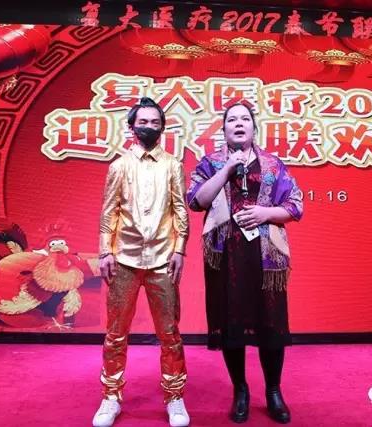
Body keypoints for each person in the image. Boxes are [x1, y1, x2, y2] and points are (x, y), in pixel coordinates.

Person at [186, 102, 303, 424]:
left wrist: (266, 213)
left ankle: (274, 391)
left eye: (245, 119)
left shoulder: (273, 165)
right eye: (232, 120)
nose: (239, 124)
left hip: (266, 257)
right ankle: (240, 389)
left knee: (270, 323)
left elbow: (295, 204)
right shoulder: (211, 163)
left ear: (253, 127)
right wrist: (226, 170)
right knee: (231, 323)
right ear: (224, 129)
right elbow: (196, 201)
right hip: (225, 255)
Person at [93, 97, 190, 427]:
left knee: (170, 334)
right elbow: (109, 212)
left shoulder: (173, 165)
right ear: (132, 126)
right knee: (115, 334)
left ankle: (174, 397)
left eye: (155, 122)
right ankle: (110, 396)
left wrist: (180, 250)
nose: (149, 126)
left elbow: (180, 210)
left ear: (162, 127)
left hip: (163, 258)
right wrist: (105, 251)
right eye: (143, 121)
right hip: (124, 259)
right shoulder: (119, 166)